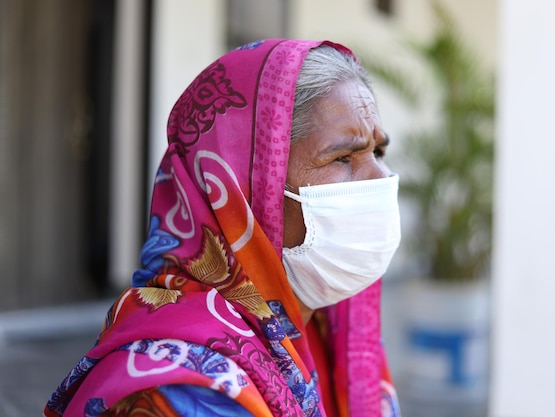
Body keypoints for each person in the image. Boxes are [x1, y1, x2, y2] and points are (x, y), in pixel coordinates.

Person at [44, 38, 402, 417]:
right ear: (242, 190)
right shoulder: (176, 392)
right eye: (343, 156)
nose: (382, 177)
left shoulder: (336, 338)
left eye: (377, 151)